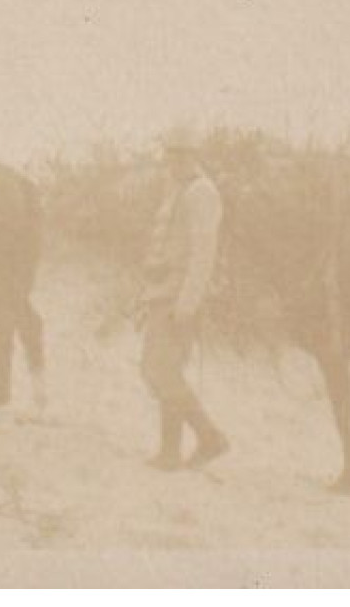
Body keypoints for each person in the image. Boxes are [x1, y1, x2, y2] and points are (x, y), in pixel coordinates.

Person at [139, 125, 229, 470]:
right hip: (161, 293)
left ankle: (210, 437)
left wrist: (187, 304)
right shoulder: (176, 189)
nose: (173, 161)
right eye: (170, 154)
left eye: (181, 154)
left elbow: (203, 255)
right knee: (163, 370)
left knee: (159, 370)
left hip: (179, 298)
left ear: (194, 156)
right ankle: (170, 451)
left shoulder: (201, 193)